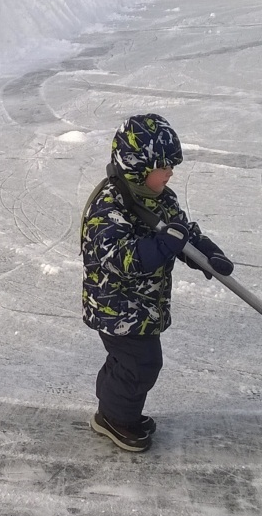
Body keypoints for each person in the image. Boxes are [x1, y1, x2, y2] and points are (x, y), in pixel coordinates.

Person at [80, 113, 235, 452]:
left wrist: (205, 253)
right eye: (163, 167)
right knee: (141, 364)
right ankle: (115, 418)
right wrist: (165, 245)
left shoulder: (161, 198)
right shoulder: (108, 207)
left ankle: (113, 407)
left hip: (143, 305)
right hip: (116, 307)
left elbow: (181, 232)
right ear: (137, 167)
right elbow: (121, 258)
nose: (171, 173)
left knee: (130, 364)